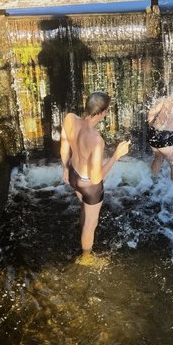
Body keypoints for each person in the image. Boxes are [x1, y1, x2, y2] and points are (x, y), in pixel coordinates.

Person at [60, 92, 130, 259]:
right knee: (91, 224)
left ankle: (82, 234)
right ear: (101, 113)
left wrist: (65, 168)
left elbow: (63, 148)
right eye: (106, 111)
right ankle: (86, 257)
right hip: (89, 186)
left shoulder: (70, 118)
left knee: (85, 207)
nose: (106, 113)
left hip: (73, 175)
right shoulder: (96, 140)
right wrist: (116, 156)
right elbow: (96, 178)